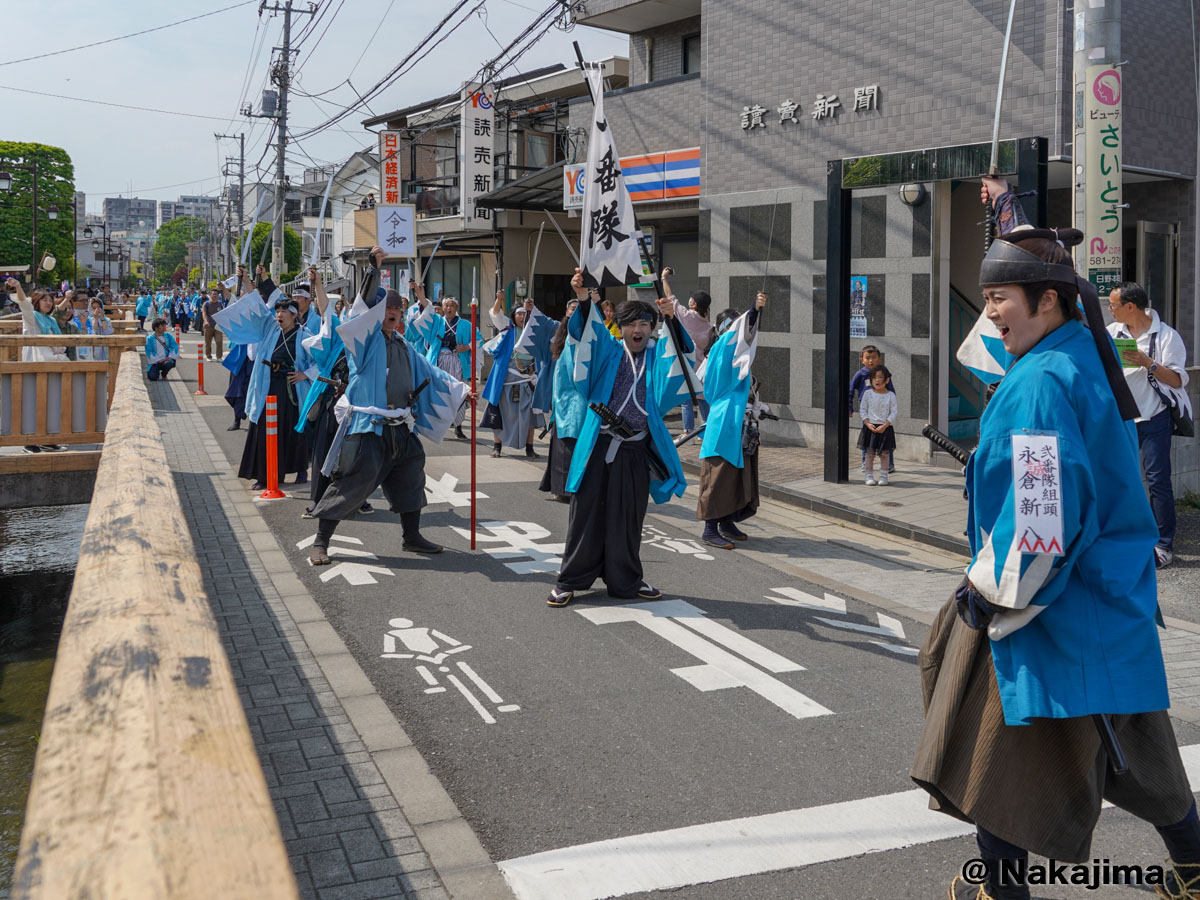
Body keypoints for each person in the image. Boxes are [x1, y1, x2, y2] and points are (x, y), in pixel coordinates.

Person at [912, 178, 1200, 900]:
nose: (991, 312)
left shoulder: (1042, 382)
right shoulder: (1071, 357)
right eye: (987, 298)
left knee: (995, 744)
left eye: (1002, 298)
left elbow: (1041, 519)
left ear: (1049, 300)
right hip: (1102, 602)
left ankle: (1000, 889)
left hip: (1045, 606)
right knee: (1138, 758)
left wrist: (989, 592)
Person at [307, 246, 472, 565]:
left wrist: (462, 391)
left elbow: (431, 372)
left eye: (398, 308)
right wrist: (371, 271)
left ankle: (411, 537)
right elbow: (359, 311)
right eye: (387, 307)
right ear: (378, 312)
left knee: (412, 475)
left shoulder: (403, 344)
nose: (393, 312)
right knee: (351, 483)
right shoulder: (364, 343)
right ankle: (321, 541)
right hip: (368, 428)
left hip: (400, 427)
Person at [545, 269, 690, 607]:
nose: (637, 330)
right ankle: (569, 580)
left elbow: (680, 356)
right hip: (598, 444)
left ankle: (625, 579)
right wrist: (584, 299)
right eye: (630, 324)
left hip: (635, 448)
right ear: (620, 327)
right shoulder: (608, 351)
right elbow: (585, 335)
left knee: (628, 517)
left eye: (644, 324)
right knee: (585, 514)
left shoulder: (657, 355)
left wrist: (671, 321)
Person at [1107, 281, 1191, 569]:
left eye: (1114, 305)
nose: (1110, 310)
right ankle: (1128, 538)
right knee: (1122, 480)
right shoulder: (1112, 332)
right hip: (1122, 419)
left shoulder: (1166, 336)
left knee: (1157, 481)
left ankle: (1163, 545)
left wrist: (1147, 362)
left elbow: (1178, 380)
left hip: (1154, 417)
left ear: (1131, 307)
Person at [215, 263, 315, 490]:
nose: (279, 315)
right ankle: (265, 474)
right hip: (268, 385)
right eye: (278, 311)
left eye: (284, 312)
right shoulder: (270, 328)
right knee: (262, 428)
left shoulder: (305, 335)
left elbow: (321, 360)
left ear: (294, 315)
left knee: (293, 429)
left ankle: (299, 470)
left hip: (291, 390)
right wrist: (248, 280)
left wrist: (305, 374)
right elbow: (257, 304)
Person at [695, 294, 768, 549]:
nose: (741, 328)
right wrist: (753, 310)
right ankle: (709, 528)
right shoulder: (723, 346)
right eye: (735, 324)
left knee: (738, 475)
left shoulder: (734, 351)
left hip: (739, 420)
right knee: (718, 475)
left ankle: (726, 522)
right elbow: (739, 335)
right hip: (725, 419)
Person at [407, 290, 479, 440]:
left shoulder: (466, 324)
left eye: (452, 305)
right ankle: (440, 426)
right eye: (446, 305)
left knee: (459, 391)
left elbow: (478, 340)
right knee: (440, 391)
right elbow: (427, 313)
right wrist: (421, 296)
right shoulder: (438, 322)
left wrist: (466, 347)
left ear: (457, 308)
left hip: (457, 361)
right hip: (440, 359)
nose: (448, 308)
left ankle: (458, 426)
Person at [483, 291, 542, 458]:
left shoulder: (534, 331)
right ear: (513, 316)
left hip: (528, 378)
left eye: (525, 314)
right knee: (501, 411)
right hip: (507, 378)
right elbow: (496, 314)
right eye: (519, 314)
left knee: (530, 414)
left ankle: (529, 448)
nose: (522, 317)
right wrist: (498, 300)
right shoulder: (508, 328)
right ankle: (497, 446)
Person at [661, 269, 716, 439]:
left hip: (688, 365)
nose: (689, 299)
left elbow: (670, 297)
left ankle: (687, 431)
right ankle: (707, 431)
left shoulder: (686, 316)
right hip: (702, 369)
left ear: (695, 304)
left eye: (692, 299)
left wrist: (663, 278)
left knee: (686, 400)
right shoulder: (709, 326)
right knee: (703, 400)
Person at [538, 298, 583, 500]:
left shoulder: (589, 337)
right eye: (572, 309)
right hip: (565, 401)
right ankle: (561, 489)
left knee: (573, 448)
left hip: (581, 402)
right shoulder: (560, 339)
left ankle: (571, 488)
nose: (575, 313)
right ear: (566, 312)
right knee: (564, 448)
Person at [858, 364, 897, 486]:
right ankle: (868, 475)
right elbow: (863, 409)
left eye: (880, 377)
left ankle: (884, 476)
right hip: (870, 428)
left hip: (885, 428)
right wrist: (867, 423)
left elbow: (894, 411)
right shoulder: (867, 394)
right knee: (869, 453)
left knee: (885, 453)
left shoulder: (891, 395)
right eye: (874, 377)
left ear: (887, 380)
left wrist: (885, 425)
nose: (877, 380)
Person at [80, 297, 114, 361]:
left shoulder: (107, 320)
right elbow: (93, 330)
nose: (97, 310)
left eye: (99, 307)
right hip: (93, 348)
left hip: (104, 349)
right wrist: (95, 318)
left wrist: (102, 318)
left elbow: (107, 332)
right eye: (94, 308)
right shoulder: (87, 320)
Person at [201, 289, 224, 359]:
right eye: (213, 294)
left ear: (218, 295)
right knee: (208, 343)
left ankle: (219, 357)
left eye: (216, 294)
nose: (214, 295)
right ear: (210, 295)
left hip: (218, 326)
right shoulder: (206, 304)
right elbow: (204, 313)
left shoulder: (220, 304)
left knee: (219, 341)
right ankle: (208, 355)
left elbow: (223, 313)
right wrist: (205, 321)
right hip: (208, 326)